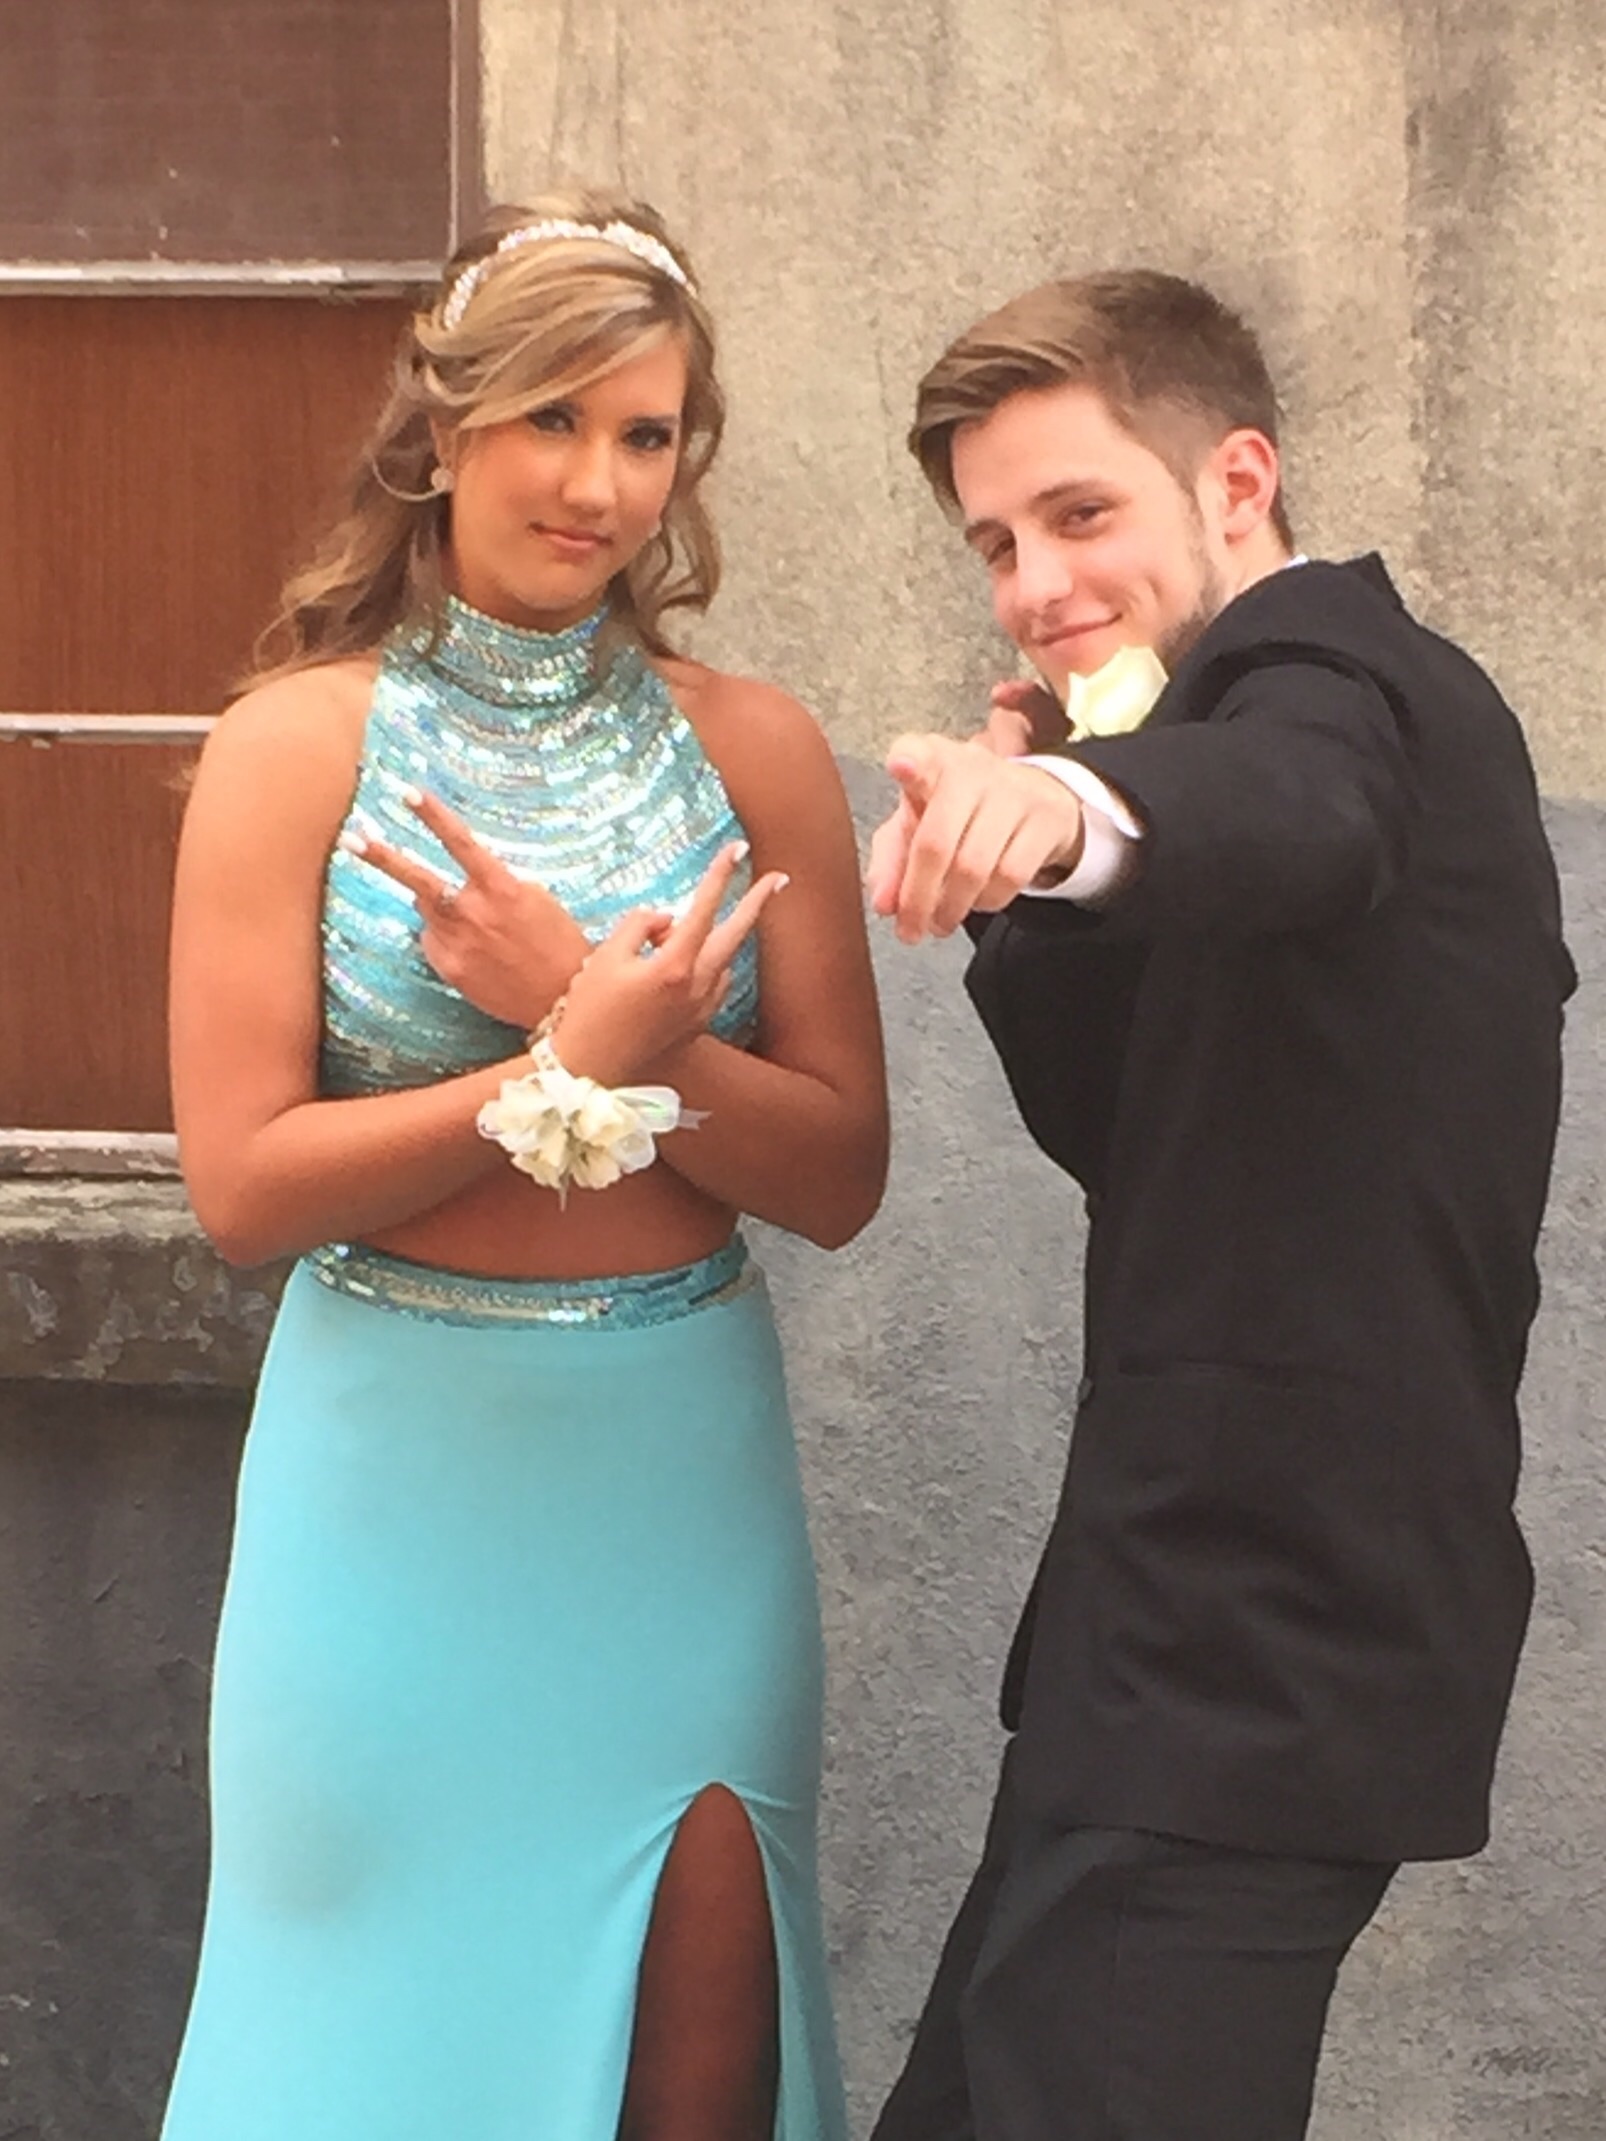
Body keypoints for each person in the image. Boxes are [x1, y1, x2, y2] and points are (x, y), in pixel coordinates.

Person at [162, 190, 887, 2141]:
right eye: (552, 417)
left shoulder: (756, 750)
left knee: (699, 2061)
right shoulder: (294, 748)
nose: (595, 482)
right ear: (443, 422)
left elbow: (836, 1173)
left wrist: (603, 1023)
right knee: (362, 2064)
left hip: (672, 1473)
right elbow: (242, 1189)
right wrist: (550, 1067)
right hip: (387, 1481)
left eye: (644, 432)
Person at [865, 269, 1574, 2141]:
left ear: (1235, 480)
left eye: (1078, 512)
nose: (1034, 584)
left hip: (1252, 1655)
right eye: (996, 544)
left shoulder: (1343, 678)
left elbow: (1297, 798)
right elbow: (1142, 1135)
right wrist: (1037, 846)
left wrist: (1077, 815)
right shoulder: (1217, 740)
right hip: (1152, 1658)